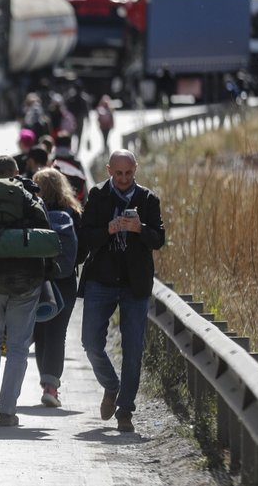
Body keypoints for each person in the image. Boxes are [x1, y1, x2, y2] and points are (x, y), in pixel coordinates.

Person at [79, 150, 165, 432]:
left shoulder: (148, 199)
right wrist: (109, 229)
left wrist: (140, 229)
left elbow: (158, 240)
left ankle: (125, 410)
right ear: (109, 171)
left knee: (133, 350)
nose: (124, 179)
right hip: (101, 280)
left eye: (129, 173)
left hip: (135, 283)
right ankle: (111, 385)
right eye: (119, 174)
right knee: (91, 343)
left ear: (136, 169)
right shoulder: (97, 196)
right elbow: (86, 237)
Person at [0, 155, 50, 427]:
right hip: (25, 281)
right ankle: (7, 411)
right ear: (16, 172)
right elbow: (46, 235)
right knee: (17, 346)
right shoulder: (29, 198)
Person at [32, 168, 85, 408]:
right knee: (57, 332)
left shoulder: (31, 212)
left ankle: (46, 382)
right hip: (64, 281)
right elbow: (82, 252)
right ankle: (51, 386)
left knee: (40, 330)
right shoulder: (73, 213)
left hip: (36, 279)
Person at [52, 131, 88, 205]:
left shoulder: (51, 161)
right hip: (75, 202)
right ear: (70, 145)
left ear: (55, 145)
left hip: (55, 202)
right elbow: (84, 185)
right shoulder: (77, 163)